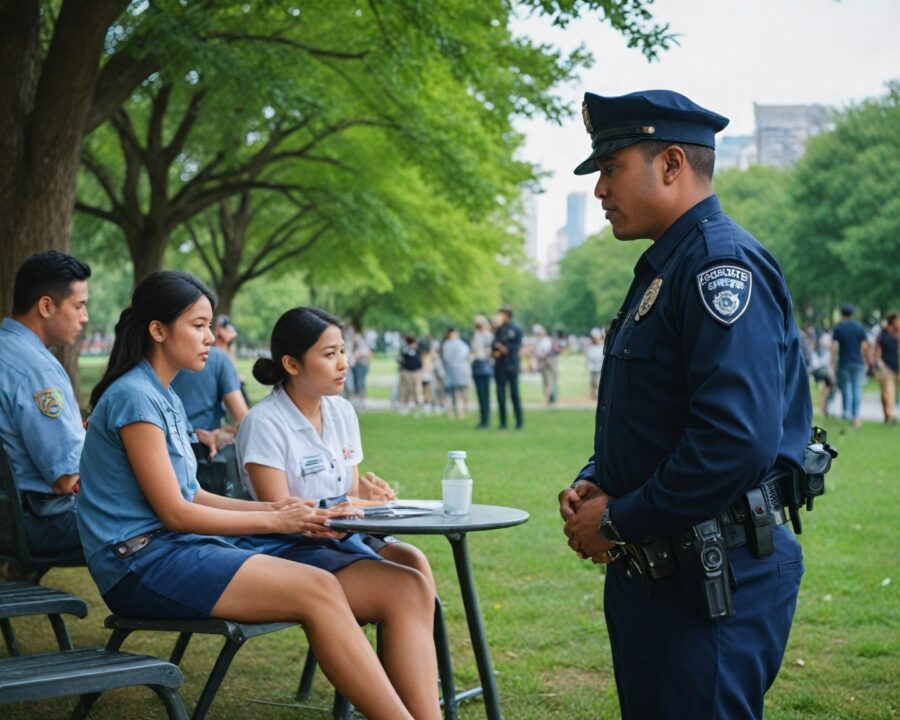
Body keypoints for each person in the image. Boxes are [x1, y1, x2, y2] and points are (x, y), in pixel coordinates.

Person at [77, 272, 440, 720]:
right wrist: (275, 520)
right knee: (319, 588)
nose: (212, 337)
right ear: (158, 330)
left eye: (211, 325)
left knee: (345, 584)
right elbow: (175, 512)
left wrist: (276, 508)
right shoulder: (134, 396)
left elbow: (193, 493)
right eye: (199, 325)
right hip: (137, 562)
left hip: (174, 550)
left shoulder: (162, 394)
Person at [557, 90, 812, 719]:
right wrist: (598, 481)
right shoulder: (667, 265)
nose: (599, 191)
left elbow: (734, 440)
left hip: (712, 577)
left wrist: (618, 520)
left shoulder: (717, 265)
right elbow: (655, 412)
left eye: (611, 169)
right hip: (665, 572)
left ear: (671, 164)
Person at [235, 306, 434, 590]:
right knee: (402, 585)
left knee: (413, 561)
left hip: (343, 535)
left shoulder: (341, 411)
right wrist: (369, 507)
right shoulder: (264, 423)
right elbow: (282, 515)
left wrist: (367, 497)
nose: (343, 363)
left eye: (342, 351)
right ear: (292, 364)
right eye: (330, 355)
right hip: (292, 548)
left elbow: (349, 495)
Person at [0, 251, 90, 566]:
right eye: (79, 306)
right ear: (46, 306)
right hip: (37, 522)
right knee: (159, 519)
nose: (85, 317)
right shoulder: (37, 371)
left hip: (10, 517)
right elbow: (66, 478)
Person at [170, 322, 249, 498]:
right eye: (199, 325)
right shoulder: (218, 360)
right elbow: (245, 422)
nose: (211, 338)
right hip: (202, 456)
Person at [832, 304, 870, 428]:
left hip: (844, 362)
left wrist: (832, 362)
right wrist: (866, 360)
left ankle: (845, 413)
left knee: (846, 389)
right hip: (858, 362)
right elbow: (865, 346)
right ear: (852, 314)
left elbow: (833, 347)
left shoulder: (839, 328)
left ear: (842, 314)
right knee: (856, 388)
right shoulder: (859, 327)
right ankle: (856, 416)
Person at [491, 306, 523, 429]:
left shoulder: (516, 329)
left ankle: (519, 422)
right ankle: (503, 423)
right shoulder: (498, 330)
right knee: (500, 395)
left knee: (514, 394)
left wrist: (503, 349)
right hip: (499, 366)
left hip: (512, 366)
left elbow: (514, 348)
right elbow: (494, 346)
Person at [873, 312, 900, 424]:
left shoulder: (897, 335)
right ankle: (889, 415)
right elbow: (877, 350)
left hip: (896, 368)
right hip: (885, 367)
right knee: (889, 392)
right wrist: (877, 364)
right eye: (898, 320)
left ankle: (887, 416)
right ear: (892, 321)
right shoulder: (883, 335)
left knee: (889, 393)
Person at [470, 315, 494, 429]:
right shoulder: (476, 335)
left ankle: (486, 419)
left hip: (484, 365)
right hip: (478, 365)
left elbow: (486, 351)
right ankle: (483, 419)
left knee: (485, 394)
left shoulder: (487, 336)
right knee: (480, 394)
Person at [440, 327, 470, 419]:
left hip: (460, 370)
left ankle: (462, 411)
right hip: (453, 370)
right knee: (453, 393)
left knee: (462, 392)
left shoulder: (460, 344)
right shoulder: (447, 344)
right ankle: (455, 411)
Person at [808, 329, 836, 417]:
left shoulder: (815, 347)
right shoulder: (822, 349)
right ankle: (826, 408)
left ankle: (824, 408)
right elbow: (823, 363)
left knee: (826, 390)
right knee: (831, 385)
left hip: (818, 371)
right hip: (820, 371)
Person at [532, 325, 559, 406]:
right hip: (544, 362)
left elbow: (547, 352)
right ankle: (548, 398)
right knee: (547, 381)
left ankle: (549, 398)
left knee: (550, 381)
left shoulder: (545, 340)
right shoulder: (538, 341)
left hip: (548, 361)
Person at [397, 334, 423, 414]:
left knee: (417, 389)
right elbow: (400, 359)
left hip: (416, 371)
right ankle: (404, 405)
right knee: (406, 389)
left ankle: (418, 405)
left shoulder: (417, 349)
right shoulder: (405, 349)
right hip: (407, 371)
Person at [584, 327, 604, 400]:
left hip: (600, 367)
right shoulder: (590, 346)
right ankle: (592, 397)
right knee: (592, 383)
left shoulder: (603, 346)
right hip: (592, 367)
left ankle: (598, 397)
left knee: (598, 383)